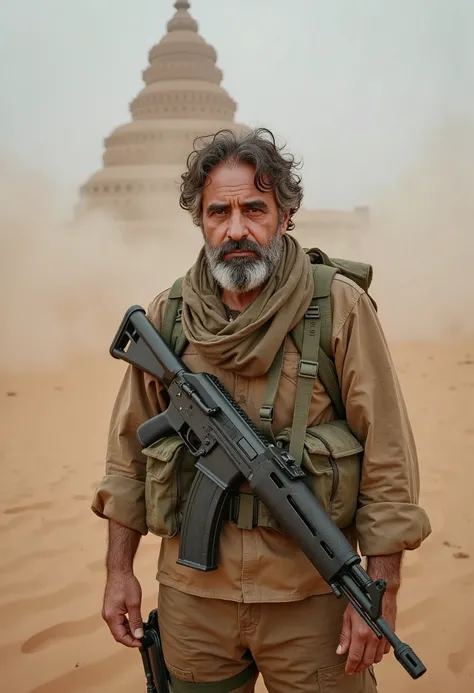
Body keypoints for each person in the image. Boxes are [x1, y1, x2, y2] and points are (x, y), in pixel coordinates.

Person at [91, 127, 431, 693]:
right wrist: (118, 572)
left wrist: (381, 591)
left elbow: (389, 458)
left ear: (285, 215)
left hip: (312, 603)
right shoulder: (170, 316)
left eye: (254, 208)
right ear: (200, 221)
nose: (236, 229)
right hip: (193, 602)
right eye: (218, 212)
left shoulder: (338, 306)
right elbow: (128, 454)